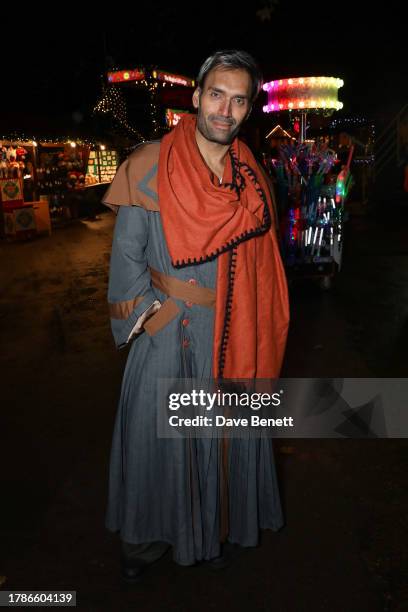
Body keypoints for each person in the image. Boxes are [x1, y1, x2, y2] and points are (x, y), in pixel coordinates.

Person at [103, 49, 290, 582]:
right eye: (216, 95)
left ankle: (211, 532)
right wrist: (149, 317)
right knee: (156, 442)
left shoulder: (250, 172)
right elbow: (127, 258)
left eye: (238, 100)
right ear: (196, 97)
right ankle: (145, 544)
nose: (225, 111)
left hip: (235, 331)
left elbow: (263, 262)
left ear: (248, 109)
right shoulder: (147, 164)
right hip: (170, 331)